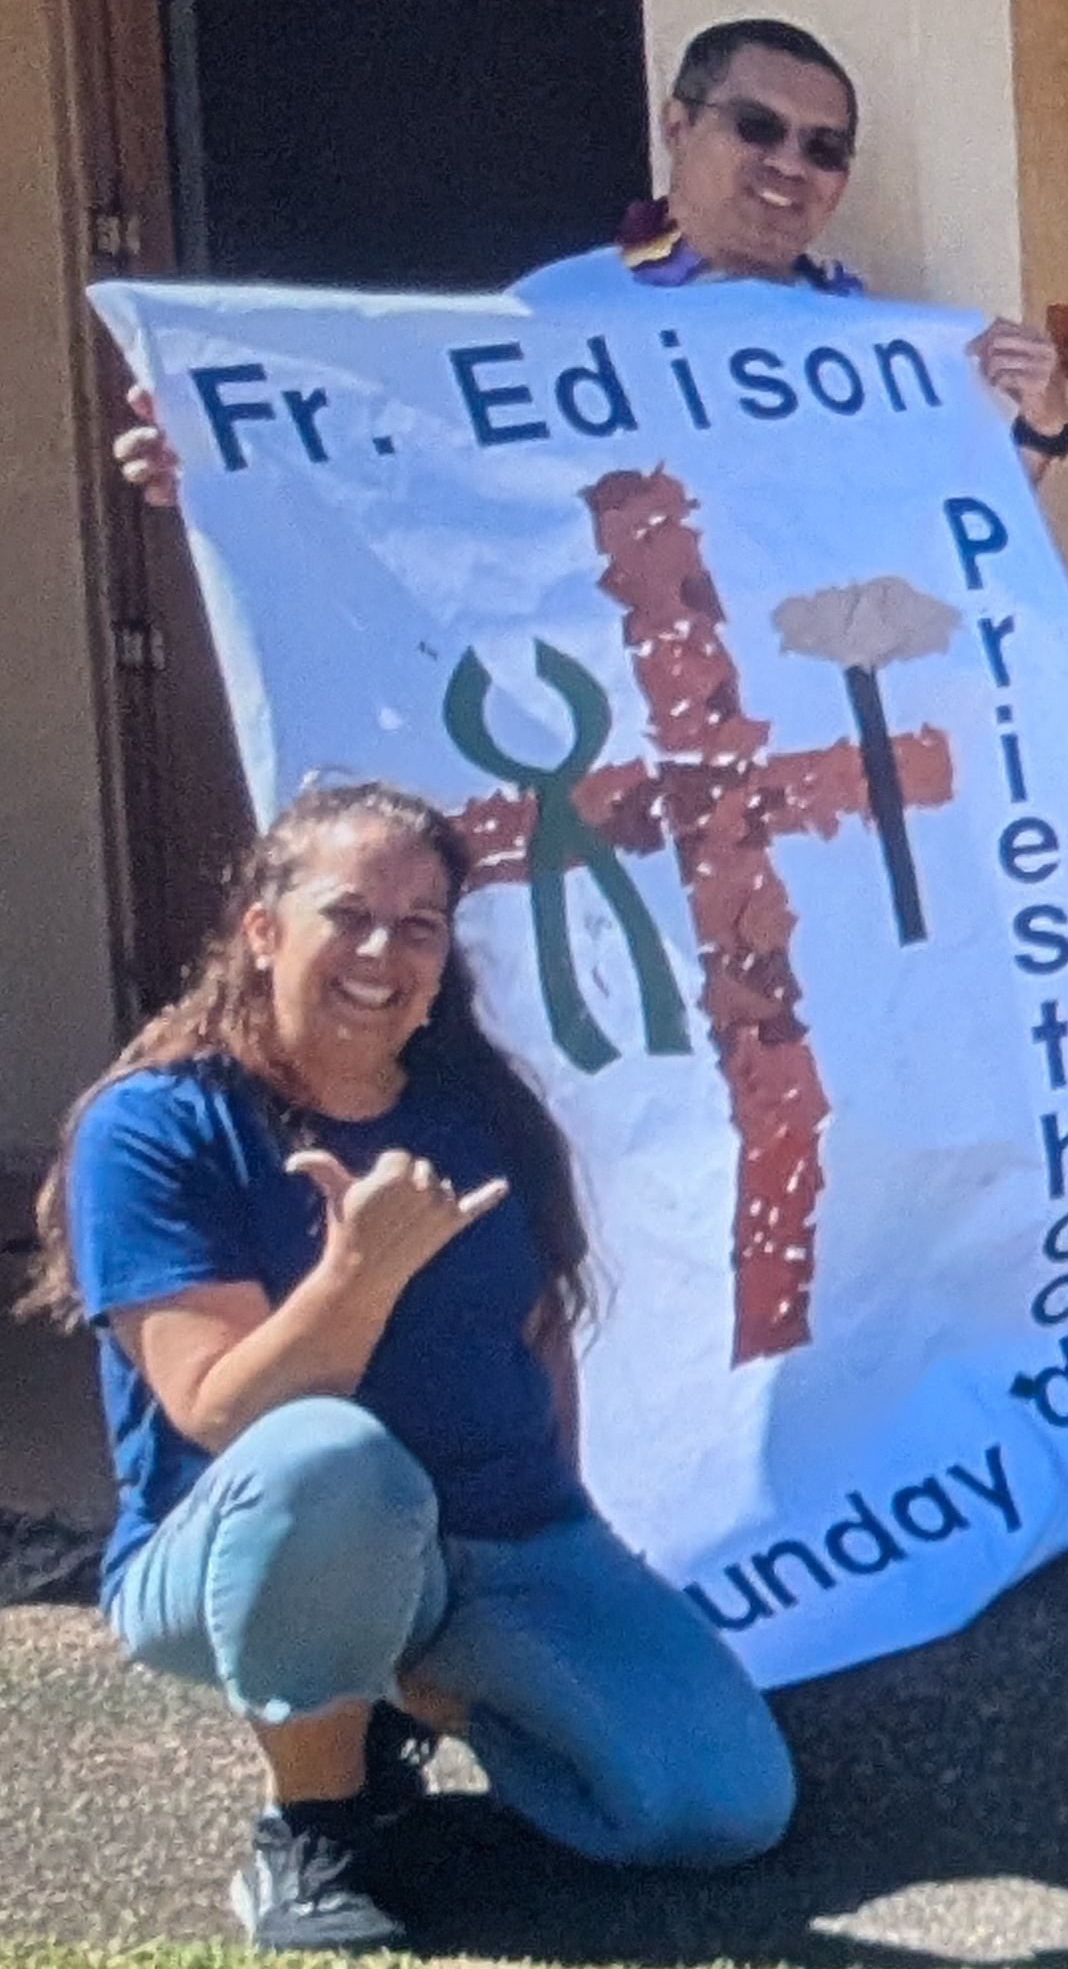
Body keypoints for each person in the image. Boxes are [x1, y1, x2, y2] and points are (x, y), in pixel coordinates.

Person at [30, 783, 789, 1948]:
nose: (384, 951)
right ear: (262, 929)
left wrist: (569, 1522)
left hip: (495, 1537)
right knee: (336, 1459)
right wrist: (357, 1273)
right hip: (243, 1550)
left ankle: (399, 1688)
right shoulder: (157, 1126)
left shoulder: (473, 1106)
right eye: (350, 914)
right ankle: (316, 1821)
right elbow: (217, 1411)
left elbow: (537, 1334)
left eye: (421, 924)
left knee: (723, 1808)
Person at [114, 18, 1068, 509]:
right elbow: (422, 480)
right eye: (757, 127)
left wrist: (1042, 432)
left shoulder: (875, 353)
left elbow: (949, 539)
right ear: (677, 124)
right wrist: (233, 472)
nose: (792, 165)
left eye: (826, 148)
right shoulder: (557, 314)